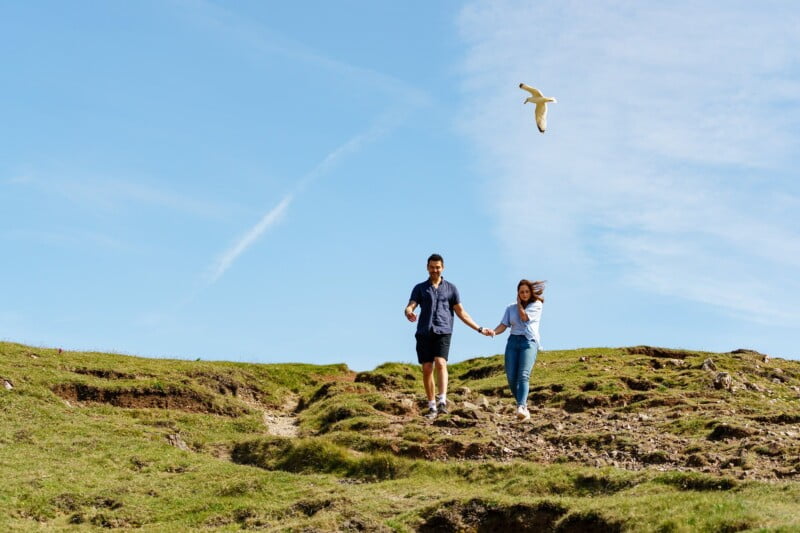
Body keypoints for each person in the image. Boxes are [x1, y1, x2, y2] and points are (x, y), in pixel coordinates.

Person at [405, 253, 492, 419]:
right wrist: (408, 312)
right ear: (427, 268)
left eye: (437, 267)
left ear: (442, 268)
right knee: (427, 368)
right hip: (424, 331)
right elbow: (411, 305)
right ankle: (431, 406)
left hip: (443, 330)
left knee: (440, 362)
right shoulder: (420, 288)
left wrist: (479, 329)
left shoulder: (451, 289)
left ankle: (442, 401)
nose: (434, 270)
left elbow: (461, 312)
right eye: (432, 267)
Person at [486, 279, 545, 421]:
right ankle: (522, 405)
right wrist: (493, 332)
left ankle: (521, 406)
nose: (524, 294)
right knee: (511, 378)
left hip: (528, 342)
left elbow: (524, 318)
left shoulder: (536, 305)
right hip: (513, 342)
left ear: (530, 293)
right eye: (521, 292)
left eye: (526, 292)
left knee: (523, 375)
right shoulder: (510, 308)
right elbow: (503, 325)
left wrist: (519, 304)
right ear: (517, 293)